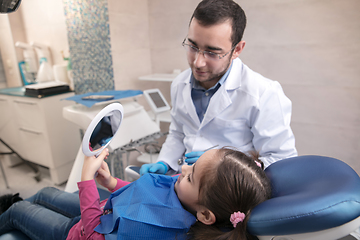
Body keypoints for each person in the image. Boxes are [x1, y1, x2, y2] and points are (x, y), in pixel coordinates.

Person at [140, 0, 297, 176]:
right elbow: (178, 134)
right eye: (192, 46)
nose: (198, 63)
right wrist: (165, 162)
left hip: (230, 195)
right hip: (187, 183)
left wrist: (225, 166)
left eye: (212, 53)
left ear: (237, 49)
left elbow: (281, 160)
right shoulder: (180, 84)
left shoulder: (264, 93)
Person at [0, 147, 271, 240]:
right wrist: (109, 182)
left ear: (205, 214)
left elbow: (91, 231)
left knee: (17, 211)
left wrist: (86, 180)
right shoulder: (181, 194)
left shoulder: (156, 228)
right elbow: (141, 193)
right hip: (104, 212)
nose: (184, 167)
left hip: (80, 232)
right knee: (47, 191)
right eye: (192, 164)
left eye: (191, 175)